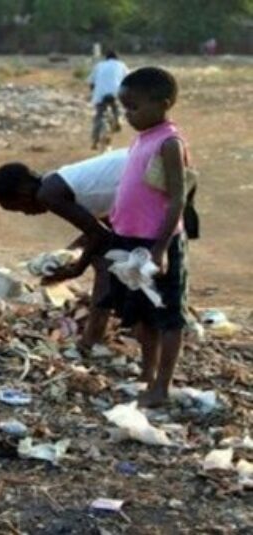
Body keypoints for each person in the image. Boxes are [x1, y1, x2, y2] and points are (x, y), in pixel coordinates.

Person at [104, 67, 191, 408]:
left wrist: (160, 248)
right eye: (125, 108)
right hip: (131, 240)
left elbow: (178, 197)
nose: (128, 115)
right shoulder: (142, 137)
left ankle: (162, 387)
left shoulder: (170, 142)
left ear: (163, 104)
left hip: (157, 243)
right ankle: (146, 374)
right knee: (143, 313)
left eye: (134, 108)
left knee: (169, 314)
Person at [0, 149, 127, 350]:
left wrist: (76, 270)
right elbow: (103, 229)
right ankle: (127, 325)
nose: (26, 214)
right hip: (141, 169)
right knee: (116, 255)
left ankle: (92, 338)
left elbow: (100, 237)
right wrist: (67, 255)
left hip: (145, 174)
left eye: (19, 208)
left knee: (103, 261)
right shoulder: (58, 181)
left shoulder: (49, 194)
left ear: (23, 193)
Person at [88, 51, 128, 149]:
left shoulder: (99, 65)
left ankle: (95, 141)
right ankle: (118, 119)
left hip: (100, 94)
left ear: (106, 58)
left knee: (99, 116)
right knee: (117, 108)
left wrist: (94, 92)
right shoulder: (121, 65)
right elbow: (128, 79)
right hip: (116, 92)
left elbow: (91, 82)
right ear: (117, 58)